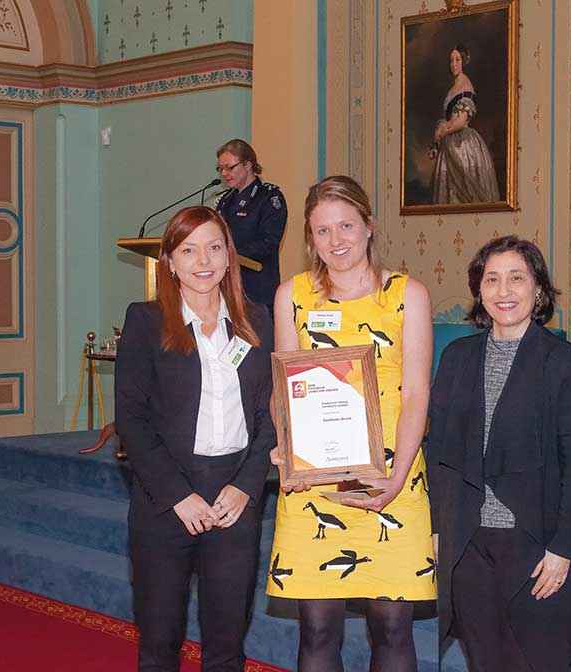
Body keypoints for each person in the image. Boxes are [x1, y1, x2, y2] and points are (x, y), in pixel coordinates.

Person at [267, 175, 436, 672]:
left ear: (369, 227)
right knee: (317, 631)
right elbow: (284, 388)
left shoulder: (408, 295)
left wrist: (397, 475)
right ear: (309, 237)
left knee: (392, 626)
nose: (335, 241)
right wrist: (286, 446)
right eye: (322, 231)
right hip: (313, 483)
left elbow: (417, 392)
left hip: (393, 475)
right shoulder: (291, 296)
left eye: (345, 225)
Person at [115, 206, 276, 672]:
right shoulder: (146, 321)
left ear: (229, 257)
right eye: (188, 249)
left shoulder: (258, 322)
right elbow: (132, 418)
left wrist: (246, 486)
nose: (202, 260)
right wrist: (177, 496)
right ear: (169, 260)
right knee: (160, 641)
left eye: (214, 247)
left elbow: (270, 415)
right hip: (166, 501)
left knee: (226, 646)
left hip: (234, 499)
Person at [427, 235, 571, 672]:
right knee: (485, 661)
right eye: (492, 280)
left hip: (536, 544)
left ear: (538, 288)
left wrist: (563, 550)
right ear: (479, 291)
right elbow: (438, 452)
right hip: (469, 542)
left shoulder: (564, 365)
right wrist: (437, 528)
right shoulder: (456, 358)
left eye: (517, 278)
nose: (504, 292)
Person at [215, 139, 287, 313]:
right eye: (220, 168)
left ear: (248, 165)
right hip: (227, 290)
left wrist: (230, 254)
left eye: (229, 167)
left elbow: (269, 242)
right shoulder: (225, 200)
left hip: (257, 289)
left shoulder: (269, 197)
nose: (224, 173)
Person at [430, 44, 501, 204]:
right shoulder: (453, 87)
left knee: (465, 191)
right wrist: (438, 138)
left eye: (457, 60)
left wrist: (443, 131)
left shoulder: (465, 86)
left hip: (463, 144)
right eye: (451, 60)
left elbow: (461, 121)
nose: (454, 64)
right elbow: (450, 119)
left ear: (464, 62)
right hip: (449, 141)